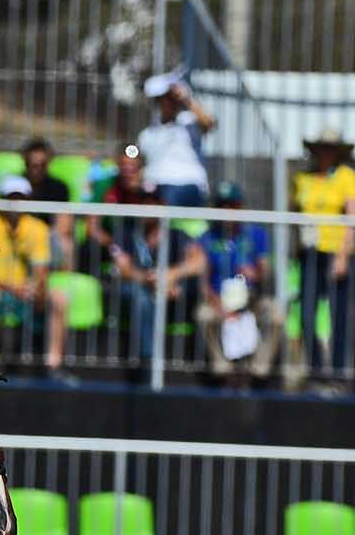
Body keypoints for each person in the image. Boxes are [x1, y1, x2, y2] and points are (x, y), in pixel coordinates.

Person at [0, 175, 72, 379]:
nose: (16, 203)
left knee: (59, 298)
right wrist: (13, 288)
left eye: (20, 197)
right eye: (11, 197)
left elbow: (41, 270)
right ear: (1, 198)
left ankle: (53, 365)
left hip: (24, 290)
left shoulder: (38, 229)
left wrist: (36, 288)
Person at [186, 182, 283, 387]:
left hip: (251, 298)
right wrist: (219, 307)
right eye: (222, 205)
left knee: (276, 314)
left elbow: (265, 270)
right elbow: (203, 282)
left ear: (240, 207)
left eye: (232, 205)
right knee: (203, 315)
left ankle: (259, 370)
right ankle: (222, 368)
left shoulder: (256, 234)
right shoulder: (205, 238)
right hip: (218, 300)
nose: (227, 210)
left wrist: (255, 272)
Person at [87, 143, 166, 364]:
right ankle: (148, 358)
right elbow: (92, 226)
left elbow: (158, 221)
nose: (127, 170)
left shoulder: (145, 190)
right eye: (123, 165)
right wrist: (113, 244)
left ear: (140, 168)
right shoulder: (105, 186)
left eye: (133, 166)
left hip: (136, 248)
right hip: (111, 248)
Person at [291, 127, 355, 384]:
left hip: (337, 254)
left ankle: (339, 372)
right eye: (321, 149)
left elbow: (352, 219)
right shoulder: (302, 179)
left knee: (339, 315)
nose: (325, 153)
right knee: (306, 313)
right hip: (310, 254)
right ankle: (316, 369)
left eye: (330, 149)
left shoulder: (346, 176)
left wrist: (342, 256)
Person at [137, 73, 215, 209]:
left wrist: (186, 99)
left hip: (186, 185)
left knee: (162, 202)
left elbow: (209, 123)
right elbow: (138, 160)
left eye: (171, 98)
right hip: (154, 186)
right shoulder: (147, 134)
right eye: (163, 99)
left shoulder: (189, 122)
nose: (168, 103)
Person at [20, 137, 75, 268]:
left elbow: (64, 224)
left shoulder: (59, 187)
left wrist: (41, 236)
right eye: (33, 165)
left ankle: (63, 283)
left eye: (42, 165)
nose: (37, 169)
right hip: (20, 235)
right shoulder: (15, 185)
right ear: (25, 162)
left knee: (66, 245)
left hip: (48, 237)